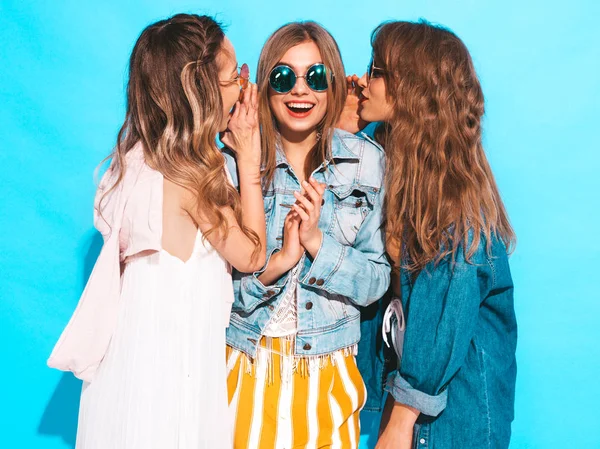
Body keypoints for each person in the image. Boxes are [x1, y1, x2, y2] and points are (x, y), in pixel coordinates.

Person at [47, 14, 266, 449]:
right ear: (201, 91)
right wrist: (248, 157)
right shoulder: (194, 178)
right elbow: (253, 256)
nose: (244, 87)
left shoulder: (130, 164)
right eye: (234, 76)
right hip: (172, 382)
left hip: (127, 378)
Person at [341, 20, 518, 449]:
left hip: (455, 412)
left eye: (377, 71)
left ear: (412, 91)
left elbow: (443, 324)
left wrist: (400, 424)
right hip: (410, 394)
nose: (363, 81)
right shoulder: (389, 164)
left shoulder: (456, 206)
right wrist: (344, 132)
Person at [224, 21, 391, 449]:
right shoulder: (235, 163)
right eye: (284, 77)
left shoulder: (368, 164)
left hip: (328, 371)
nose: (301, 91)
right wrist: (275, 265)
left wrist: (317, 243)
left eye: (315, 77)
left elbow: (377, 282)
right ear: (265, 86)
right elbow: (210, 293)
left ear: (332, 84)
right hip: (242, 363)